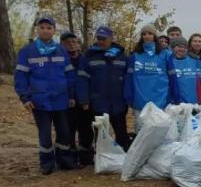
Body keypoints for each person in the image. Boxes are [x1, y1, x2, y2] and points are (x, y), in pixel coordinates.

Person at [15, 16, 78, 174]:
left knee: (64, 132)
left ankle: (65, 161)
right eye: (42, 27)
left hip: (61, 100)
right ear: (37, 29)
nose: (45, 30)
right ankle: (47, 163)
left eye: (49, 28)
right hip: (40, 101)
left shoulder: (61, 50)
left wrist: (71, 95)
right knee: (45, 134)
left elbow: (69, 74)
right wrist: (25, 97)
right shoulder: (27, 51)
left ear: (53, 31)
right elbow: (20, 77)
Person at [77, 26, 131, 150]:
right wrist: (84, 100)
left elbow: (128, 78)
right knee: (100, 134)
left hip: (118, 103)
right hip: (98, 102)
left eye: (104, 39)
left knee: (121, 133)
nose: (100, 41)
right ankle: (101, 158)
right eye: (99, 38)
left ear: (111, 39)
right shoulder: (89, 56)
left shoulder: (122, 55)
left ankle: (123, 159)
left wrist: (128, 97)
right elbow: (82, 79)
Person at [127, 24, 171, 127]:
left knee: (160, 130)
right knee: (141, 131)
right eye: (144, 34)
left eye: (150, 33)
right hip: (140, 100)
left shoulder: (165, 54)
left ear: (155, 36)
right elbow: (129, 78)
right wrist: (129, 96)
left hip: (160, 99)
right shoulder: (134, 55)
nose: (147, 36)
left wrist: (171, 96)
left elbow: (172, 77)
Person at [61, 31, 93, 166]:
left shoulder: (85, 60)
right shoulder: (60, 60)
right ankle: (70, 159)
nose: (71, 45)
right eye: (67, 43)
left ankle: (86, 157)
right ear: (62, 45)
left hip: (83, 103)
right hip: (65, 102)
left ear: (79, 45)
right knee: (67, 131)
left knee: (86, 130)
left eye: (74, 42)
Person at [168, 36, 201, 105]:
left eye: (184, 47)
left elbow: (199, 82)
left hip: (194, 102)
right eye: (179, 46)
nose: (182, 49)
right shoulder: (169, 62)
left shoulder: (194, 61)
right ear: (173, 48)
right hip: (176, 103)